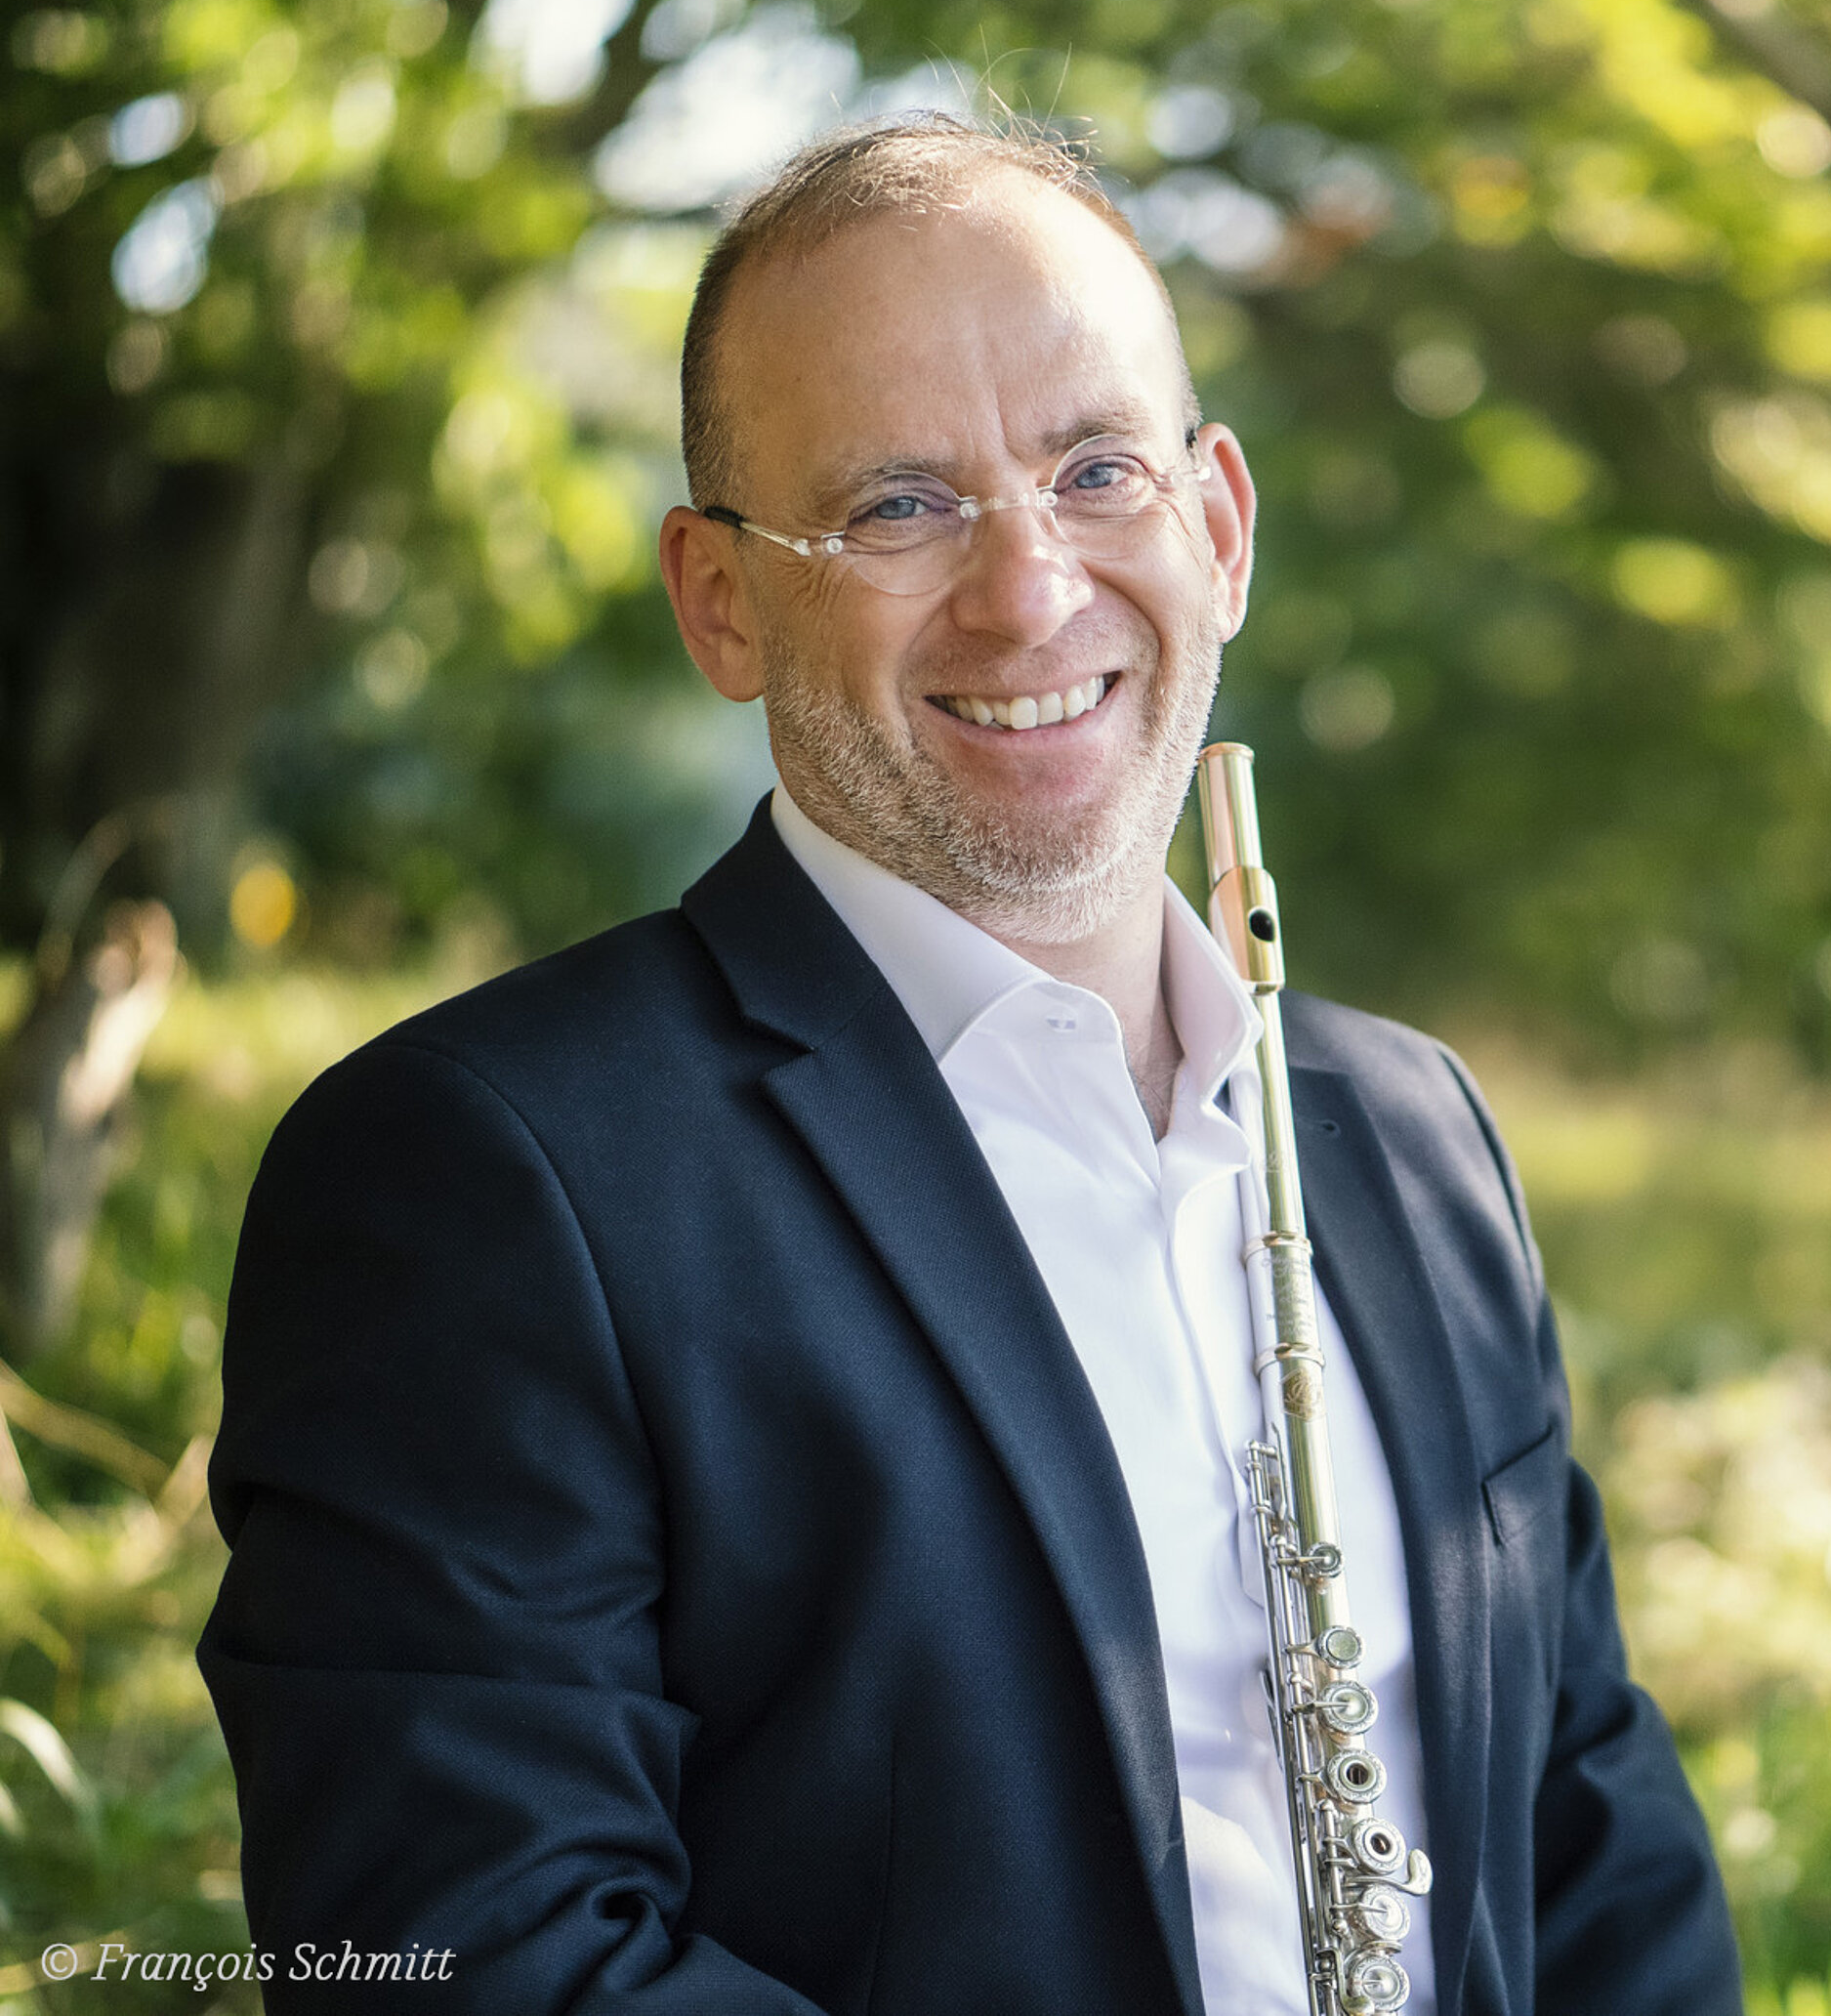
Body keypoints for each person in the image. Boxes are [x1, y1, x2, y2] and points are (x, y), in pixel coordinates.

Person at [199, 116, 1743, 2015]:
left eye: (1098, 471)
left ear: (1220, 527)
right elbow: (472, 1957)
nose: (1028, 590)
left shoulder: (1419, 1133)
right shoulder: (482, 1173)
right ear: (719, 598)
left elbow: (1596, 1843)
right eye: (899, 506)